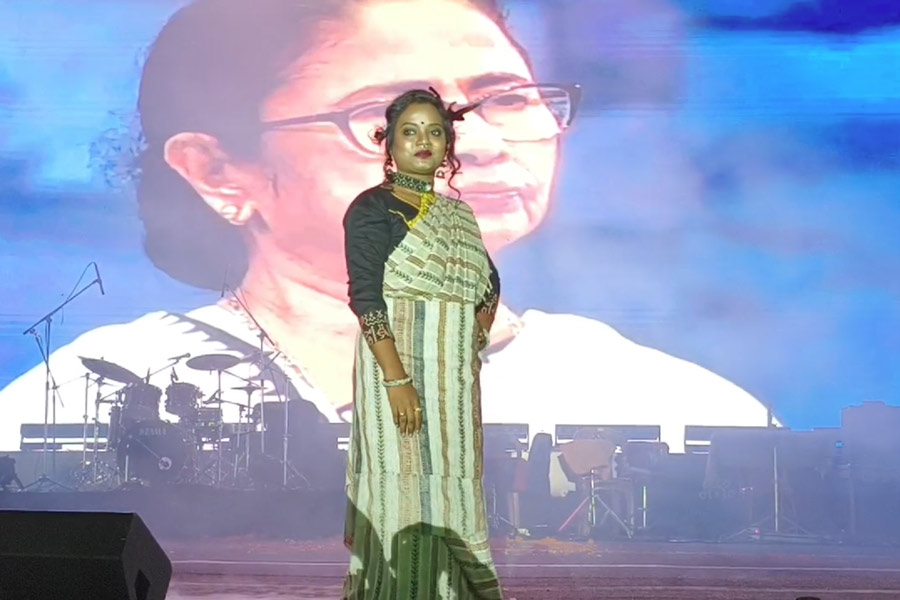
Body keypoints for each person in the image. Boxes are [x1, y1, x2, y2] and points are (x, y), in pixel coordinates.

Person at [0, 0, 769, 455]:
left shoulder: (664, 403)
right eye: (387, 117)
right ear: (217, 172)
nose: (487, 145)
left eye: (505, 98)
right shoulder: (83, 401)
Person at [342, 87, 502, 598]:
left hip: (452, 382)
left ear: (449, 146)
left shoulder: (458, 217)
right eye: (409, 131)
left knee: (454, 489)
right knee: (399, 486)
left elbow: (489, 284)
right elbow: (366, 298)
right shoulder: (372, 209)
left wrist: (471, 339)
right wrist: (397, 379)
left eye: (435, 131)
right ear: (387, 143)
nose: (423, 141)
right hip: (397, 374)